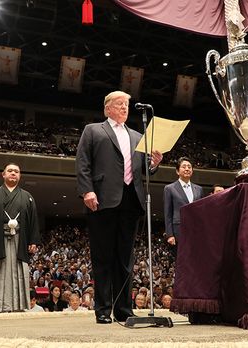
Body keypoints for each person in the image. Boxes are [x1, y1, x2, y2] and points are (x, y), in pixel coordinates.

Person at [76, 90, 163, 324]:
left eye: (126, 104)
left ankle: (123, 309)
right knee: (103, 257)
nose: (124, 107)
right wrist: (87, 190)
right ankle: (103, 310)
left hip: (131, 199)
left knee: (125, 259)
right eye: (119, 103)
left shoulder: (137, 136)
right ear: (107, 108)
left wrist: (153, 164)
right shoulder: (93, 130)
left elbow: (143, 169)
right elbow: (83, 162)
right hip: (102, 199)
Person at [0, 163, 41, 313]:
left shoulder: (27, 197)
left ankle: (18, 305)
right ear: (3, 175)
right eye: (10, 171)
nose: (13, 173)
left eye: (16, 171)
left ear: (19, 176)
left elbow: (33, 221)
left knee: (19, 270)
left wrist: (33, 241)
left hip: (20, 239)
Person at [163, 157, 203, 255]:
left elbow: (202, 212)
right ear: (177, 171)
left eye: (189, 167)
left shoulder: (199, 189)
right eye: (184, 167)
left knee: (196, 260)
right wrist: (170, 235)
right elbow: (167, 213)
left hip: (196, 231)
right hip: (178, 231)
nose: (187, 169)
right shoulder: (169, 188)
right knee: (181, 262)